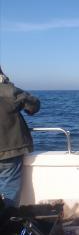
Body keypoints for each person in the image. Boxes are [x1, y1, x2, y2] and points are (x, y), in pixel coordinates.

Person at [0, 66, 40, 208]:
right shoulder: (7, 90)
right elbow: (33, 106)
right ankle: (7, 223)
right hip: (7, 150)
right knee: (9, 190)